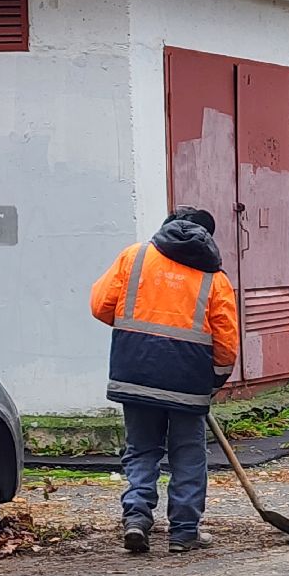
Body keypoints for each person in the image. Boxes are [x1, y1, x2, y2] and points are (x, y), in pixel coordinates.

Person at [90, 207, 239, 554]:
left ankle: (137, 518)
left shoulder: (135, 257)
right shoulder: (214, 278)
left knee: (142, 449)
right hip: (188, 382)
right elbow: (227, 343)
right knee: (188, 454)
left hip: (135, 373)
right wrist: (214, 381)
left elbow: (101, 306)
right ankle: (184, 533)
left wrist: (137, 332)